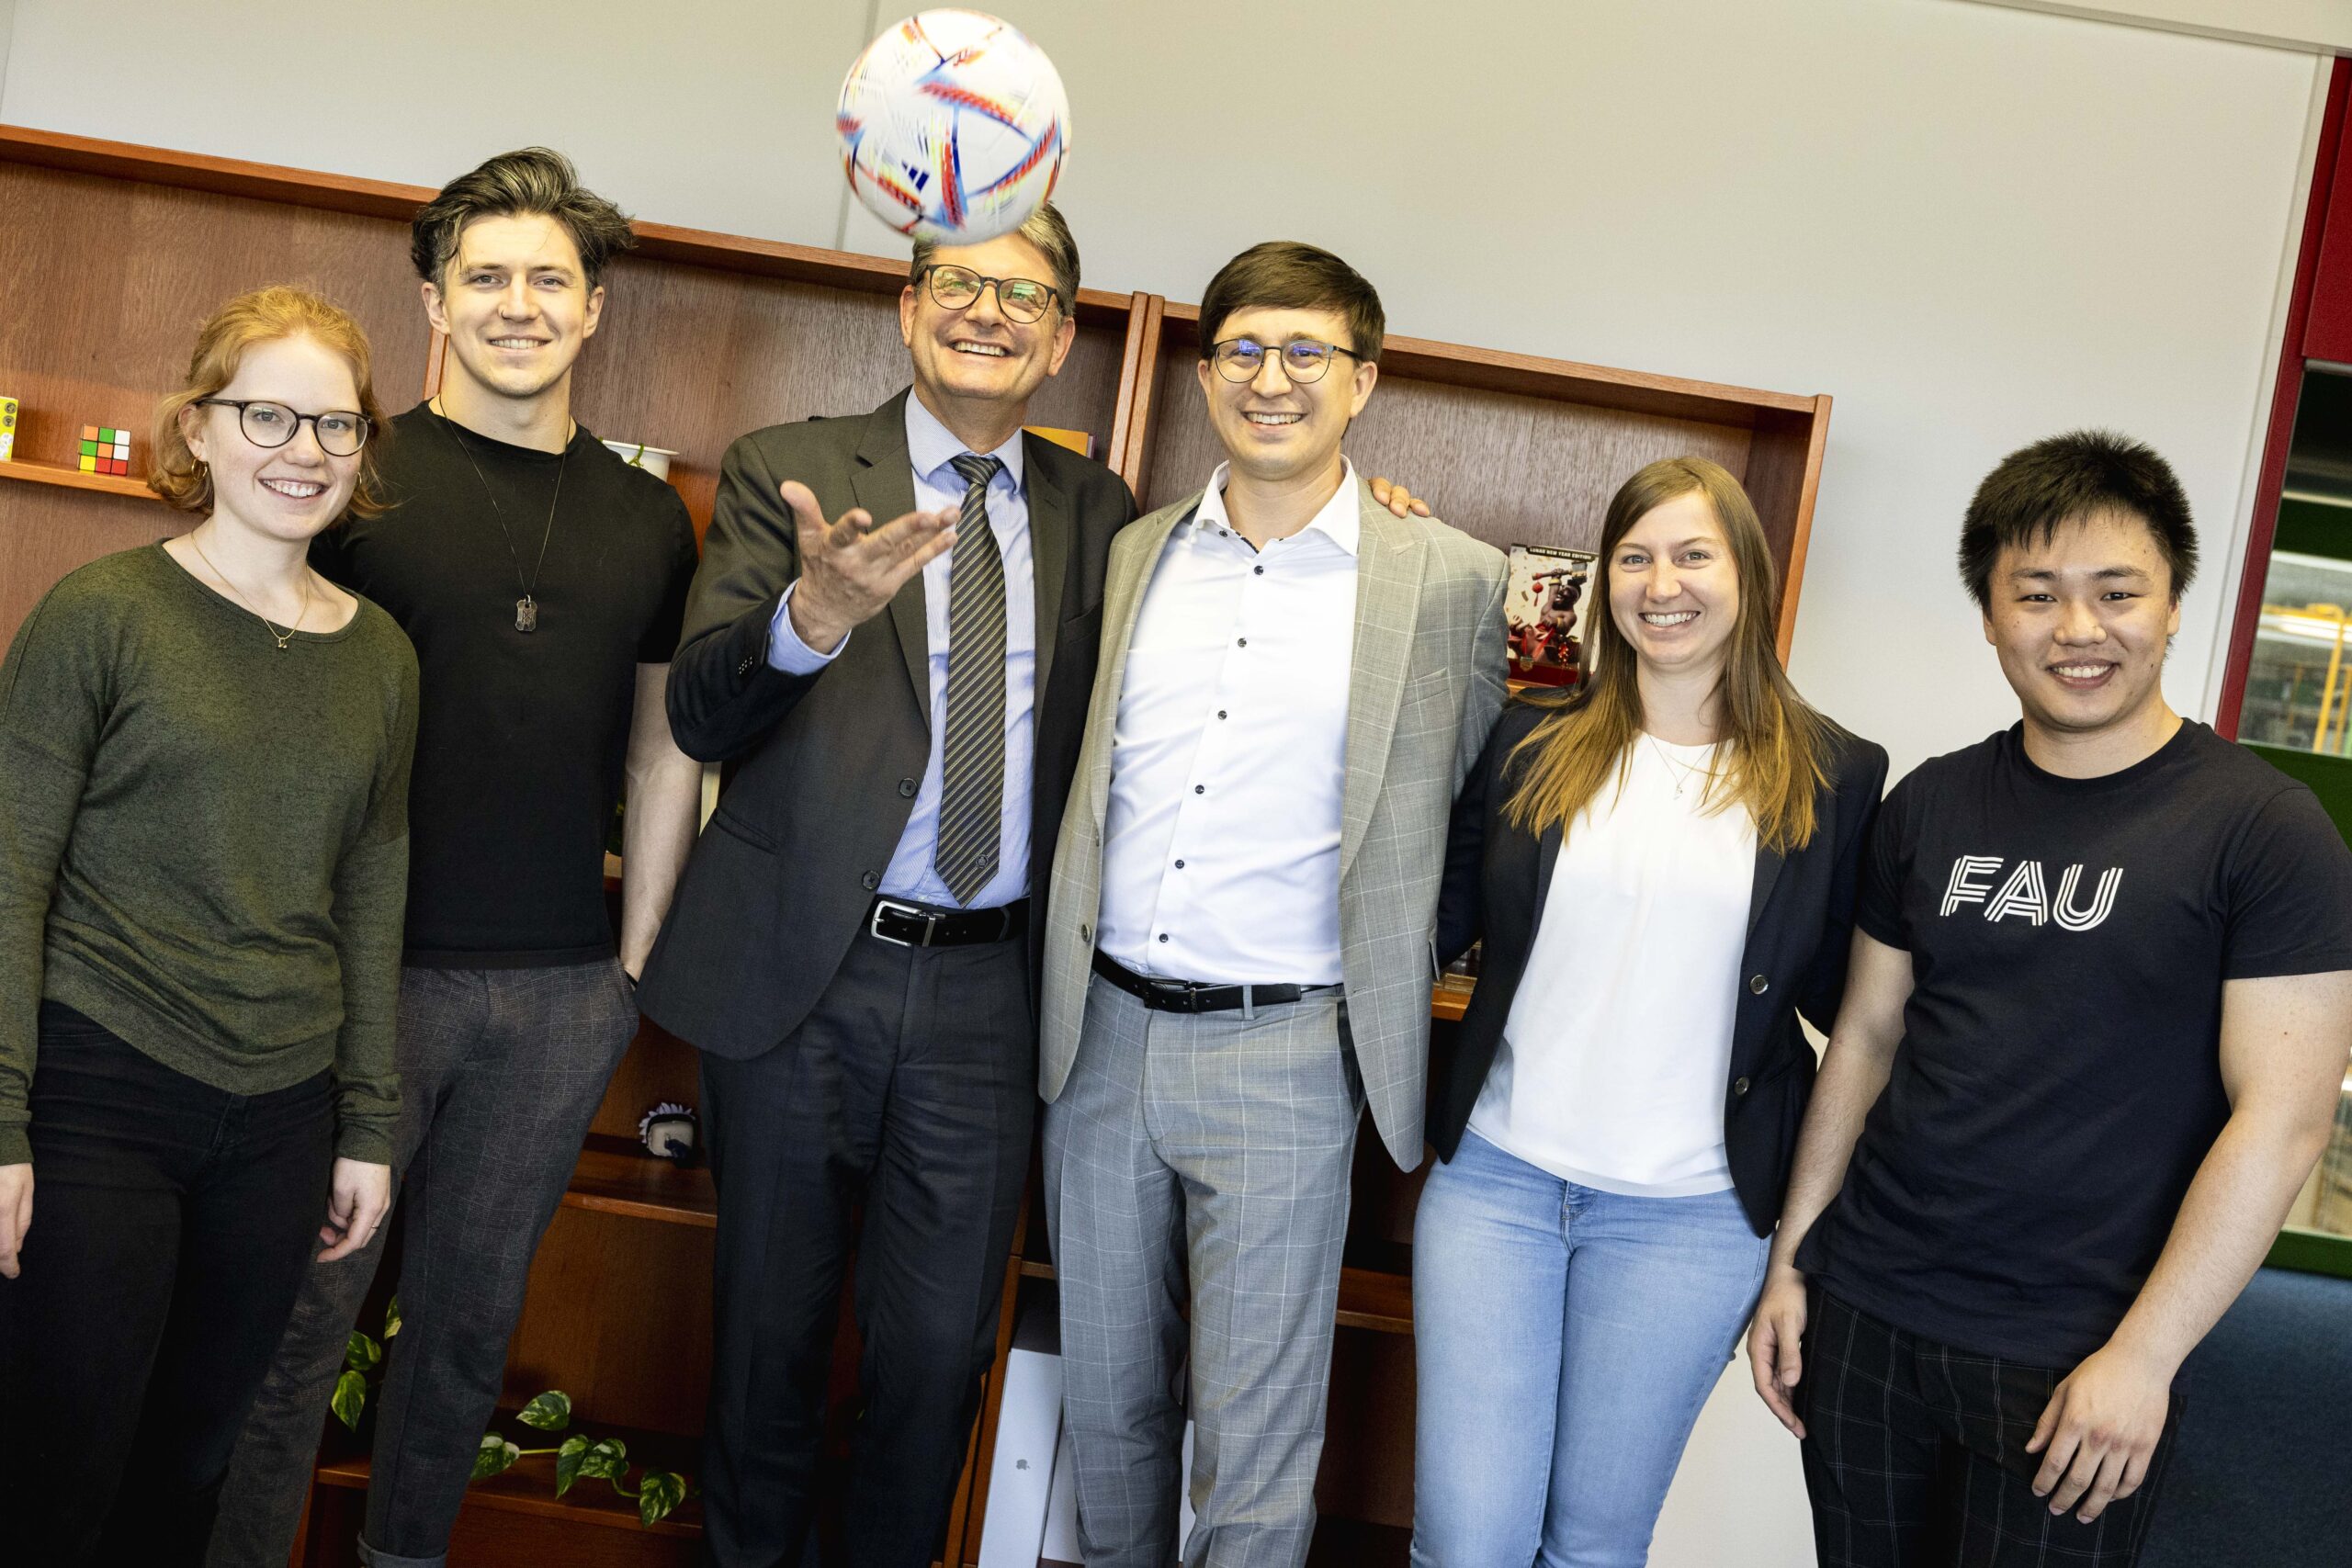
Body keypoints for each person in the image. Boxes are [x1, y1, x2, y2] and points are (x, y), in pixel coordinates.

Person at [210, 149, 705, 1568]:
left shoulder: (642, 514)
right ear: (433, 296)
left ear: (595, 307)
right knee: (300, 1318)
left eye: (550, 277)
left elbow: (663, 741)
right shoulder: (354, 478)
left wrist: (633, 958)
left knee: (470, 1323)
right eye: (485, 275)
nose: (517, 303)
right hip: (366, 984)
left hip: (558, 995)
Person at [1747, 430, 2352, 1567]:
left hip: (2077, 1350)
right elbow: (1866, 1040)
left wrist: (2146, 1356)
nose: (2078, 631)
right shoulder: (1930, 805)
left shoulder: (2263, 833)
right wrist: (1793, 1261)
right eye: (2036, 595)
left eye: (2115, 592)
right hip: (1867, 1313)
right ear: (1989, 614)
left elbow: (2284, 1120)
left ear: (2171, 605)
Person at [1036, 241, 1509, 1568]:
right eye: (1243, 349)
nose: (1272, 378)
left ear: (1363, 378)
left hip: (1291, 1054)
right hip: (1101, 1044)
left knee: (1253, 1439)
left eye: (1308, 352)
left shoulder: (1450, 579)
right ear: (1204, 374)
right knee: (1111, 1412)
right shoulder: (1135, 554)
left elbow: (1477, 803)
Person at [0, 286, 416, 1565]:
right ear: (201, 425)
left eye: (336, 425)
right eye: (269, 414)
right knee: (55, 1467)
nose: (304, 450)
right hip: (100, 1089)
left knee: (191, 1468)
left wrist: (366, 1122)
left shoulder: (383, 654)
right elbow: (11, 869)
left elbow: (370, 885)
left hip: (281, 1113)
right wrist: (0, 1113)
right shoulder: (103, 610)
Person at [1413, 457, 1886, 1568]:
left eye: (1690, 555)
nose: (1659, 583)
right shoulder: (1530, 740)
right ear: (1604, 582)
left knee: (1591, 1546)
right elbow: (1433, 920)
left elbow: (1850, 1011)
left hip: (1690, 1220)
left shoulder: (1832, 775)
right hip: (1497, 1187)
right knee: (1467, 1540)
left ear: (1745, 579)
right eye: (1633, 557)